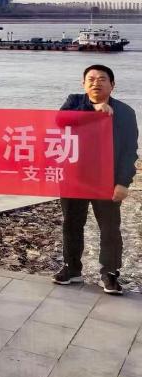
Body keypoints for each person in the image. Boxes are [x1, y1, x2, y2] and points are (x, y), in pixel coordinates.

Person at [53, 64, 138, 295]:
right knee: (72, 224)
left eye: (102, 79)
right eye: (90, 79)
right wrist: (93, 111)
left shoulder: (125, 112)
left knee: (109, 227)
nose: (96, 83)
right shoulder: (73, 102)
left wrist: (123, 182)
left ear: (112, 85)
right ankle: (72, 268)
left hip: (107, 179)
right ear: (83, 84)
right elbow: (60, 120)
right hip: (74, 177)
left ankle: (109, 273)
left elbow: (130, 151)